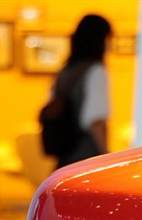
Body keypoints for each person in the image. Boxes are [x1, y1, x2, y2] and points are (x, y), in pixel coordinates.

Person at [49, 14, 112, 168]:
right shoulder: (96, 71)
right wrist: (107, 156)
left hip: (64, 158)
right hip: (87, 156)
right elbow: (96, 120)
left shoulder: (65, 71)